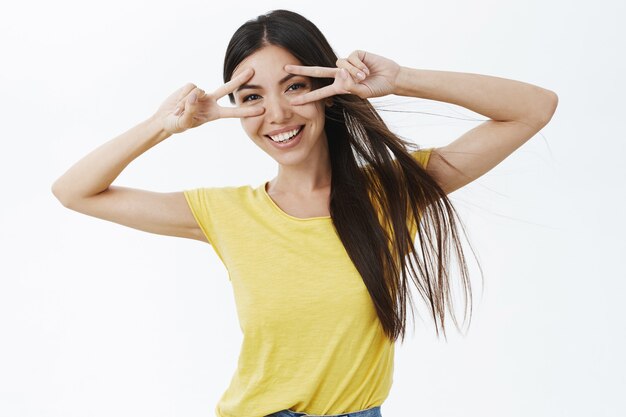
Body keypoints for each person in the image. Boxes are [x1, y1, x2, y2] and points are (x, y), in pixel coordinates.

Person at [51, 9, 558, 417]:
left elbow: (534, 107)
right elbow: (74, 191)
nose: (276, 114)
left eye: (294, 86)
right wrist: (162, 125)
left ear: (328, 89)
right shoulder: (224, 212)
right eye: (252, 97)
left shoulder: (393, 192)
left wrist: (400, 79)